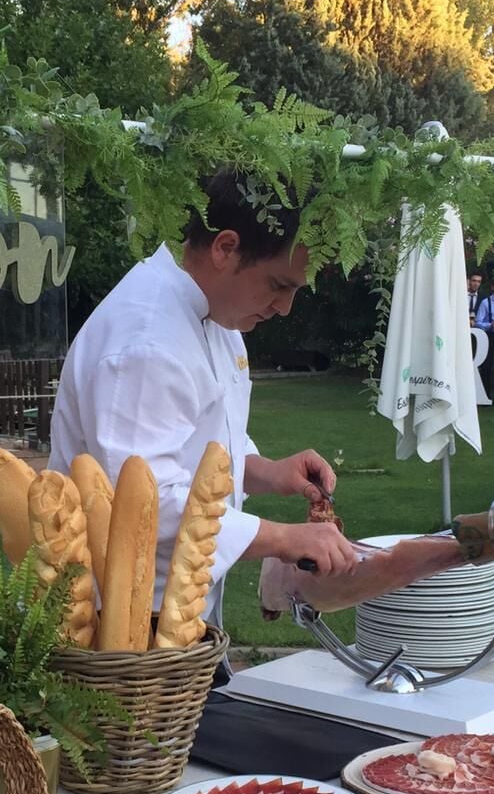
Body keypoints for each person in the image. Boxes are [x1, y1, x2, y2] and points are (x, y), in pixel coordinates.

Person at [49, 168, 357, 631]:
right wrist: (281, 538)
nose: (285, 308)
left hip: (180, 604)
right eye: (279, 286)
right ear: (225, 248)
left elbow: (201, 447)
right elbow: (143, 502)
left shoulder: (218, 317)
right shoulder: (147, 340)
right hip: (118, 623)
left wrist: (267, 471)